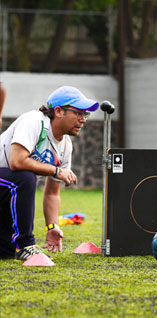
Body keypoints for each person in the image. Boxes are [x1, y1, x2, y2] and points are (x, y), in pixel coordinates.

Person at [0, 86, 99, 260]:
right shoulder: (34, 121)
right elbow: (17, 161)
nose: (83, 120)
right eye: (78, 113)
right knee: (24, 178)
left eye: (86, 115)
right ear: (59, 111)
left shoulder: (66, 146)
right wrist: (56, 170)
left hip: (5, 193)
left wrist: (52, 226)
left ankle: (15, 246)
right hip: (10, 183)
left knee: (5, 253)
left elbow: (52, 193)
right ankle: (26, 244)